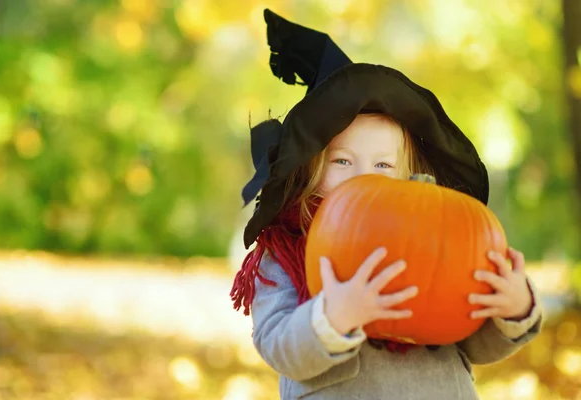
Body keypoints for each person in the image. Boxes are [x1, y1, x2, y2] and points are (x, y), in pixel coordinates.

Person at [230, 9, 542, 400]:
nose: (364, 175)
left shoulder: (434, 240)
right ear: (312, 166)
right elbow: (278, 345)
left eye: (382, 164)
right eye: (343, 161)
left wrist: (511, 309)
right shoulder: (287, 249)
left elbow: (476, 345)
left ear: (405, 173)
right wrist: (332, 316)